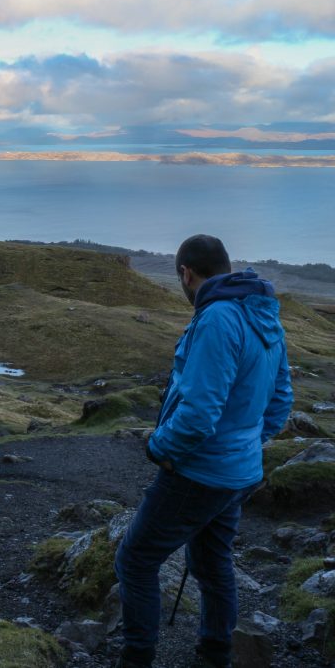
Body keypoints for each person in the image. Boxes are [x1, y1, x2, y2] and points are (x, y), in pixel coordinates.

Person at [113, 234, 294, 668]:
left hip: (199, 471)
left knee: (136, 560)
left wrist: (159, 447)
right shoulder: (264, 313)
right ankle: (215, 656)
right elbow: (281, 398)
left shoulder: (217, 318)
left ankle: (136, 660)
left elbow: (198, 412)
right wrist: (246, 445)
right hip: (238, 471)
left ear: (185, 274)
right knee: (212, 564)